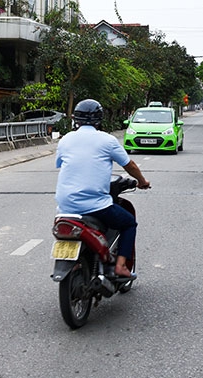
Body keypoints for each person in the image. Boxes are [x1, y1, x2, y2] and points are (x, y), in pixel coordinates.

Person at [55, 98, 150, 279]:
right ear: (100, 119)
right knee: (129, 223)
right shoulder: (107, 140)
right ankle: (121, 266)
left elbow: (60, 164)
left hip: (64, 208)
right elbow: (129, 166)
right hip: (96, 206)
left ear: (76, 118)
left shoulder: (65, 140)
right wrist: (142, 181)